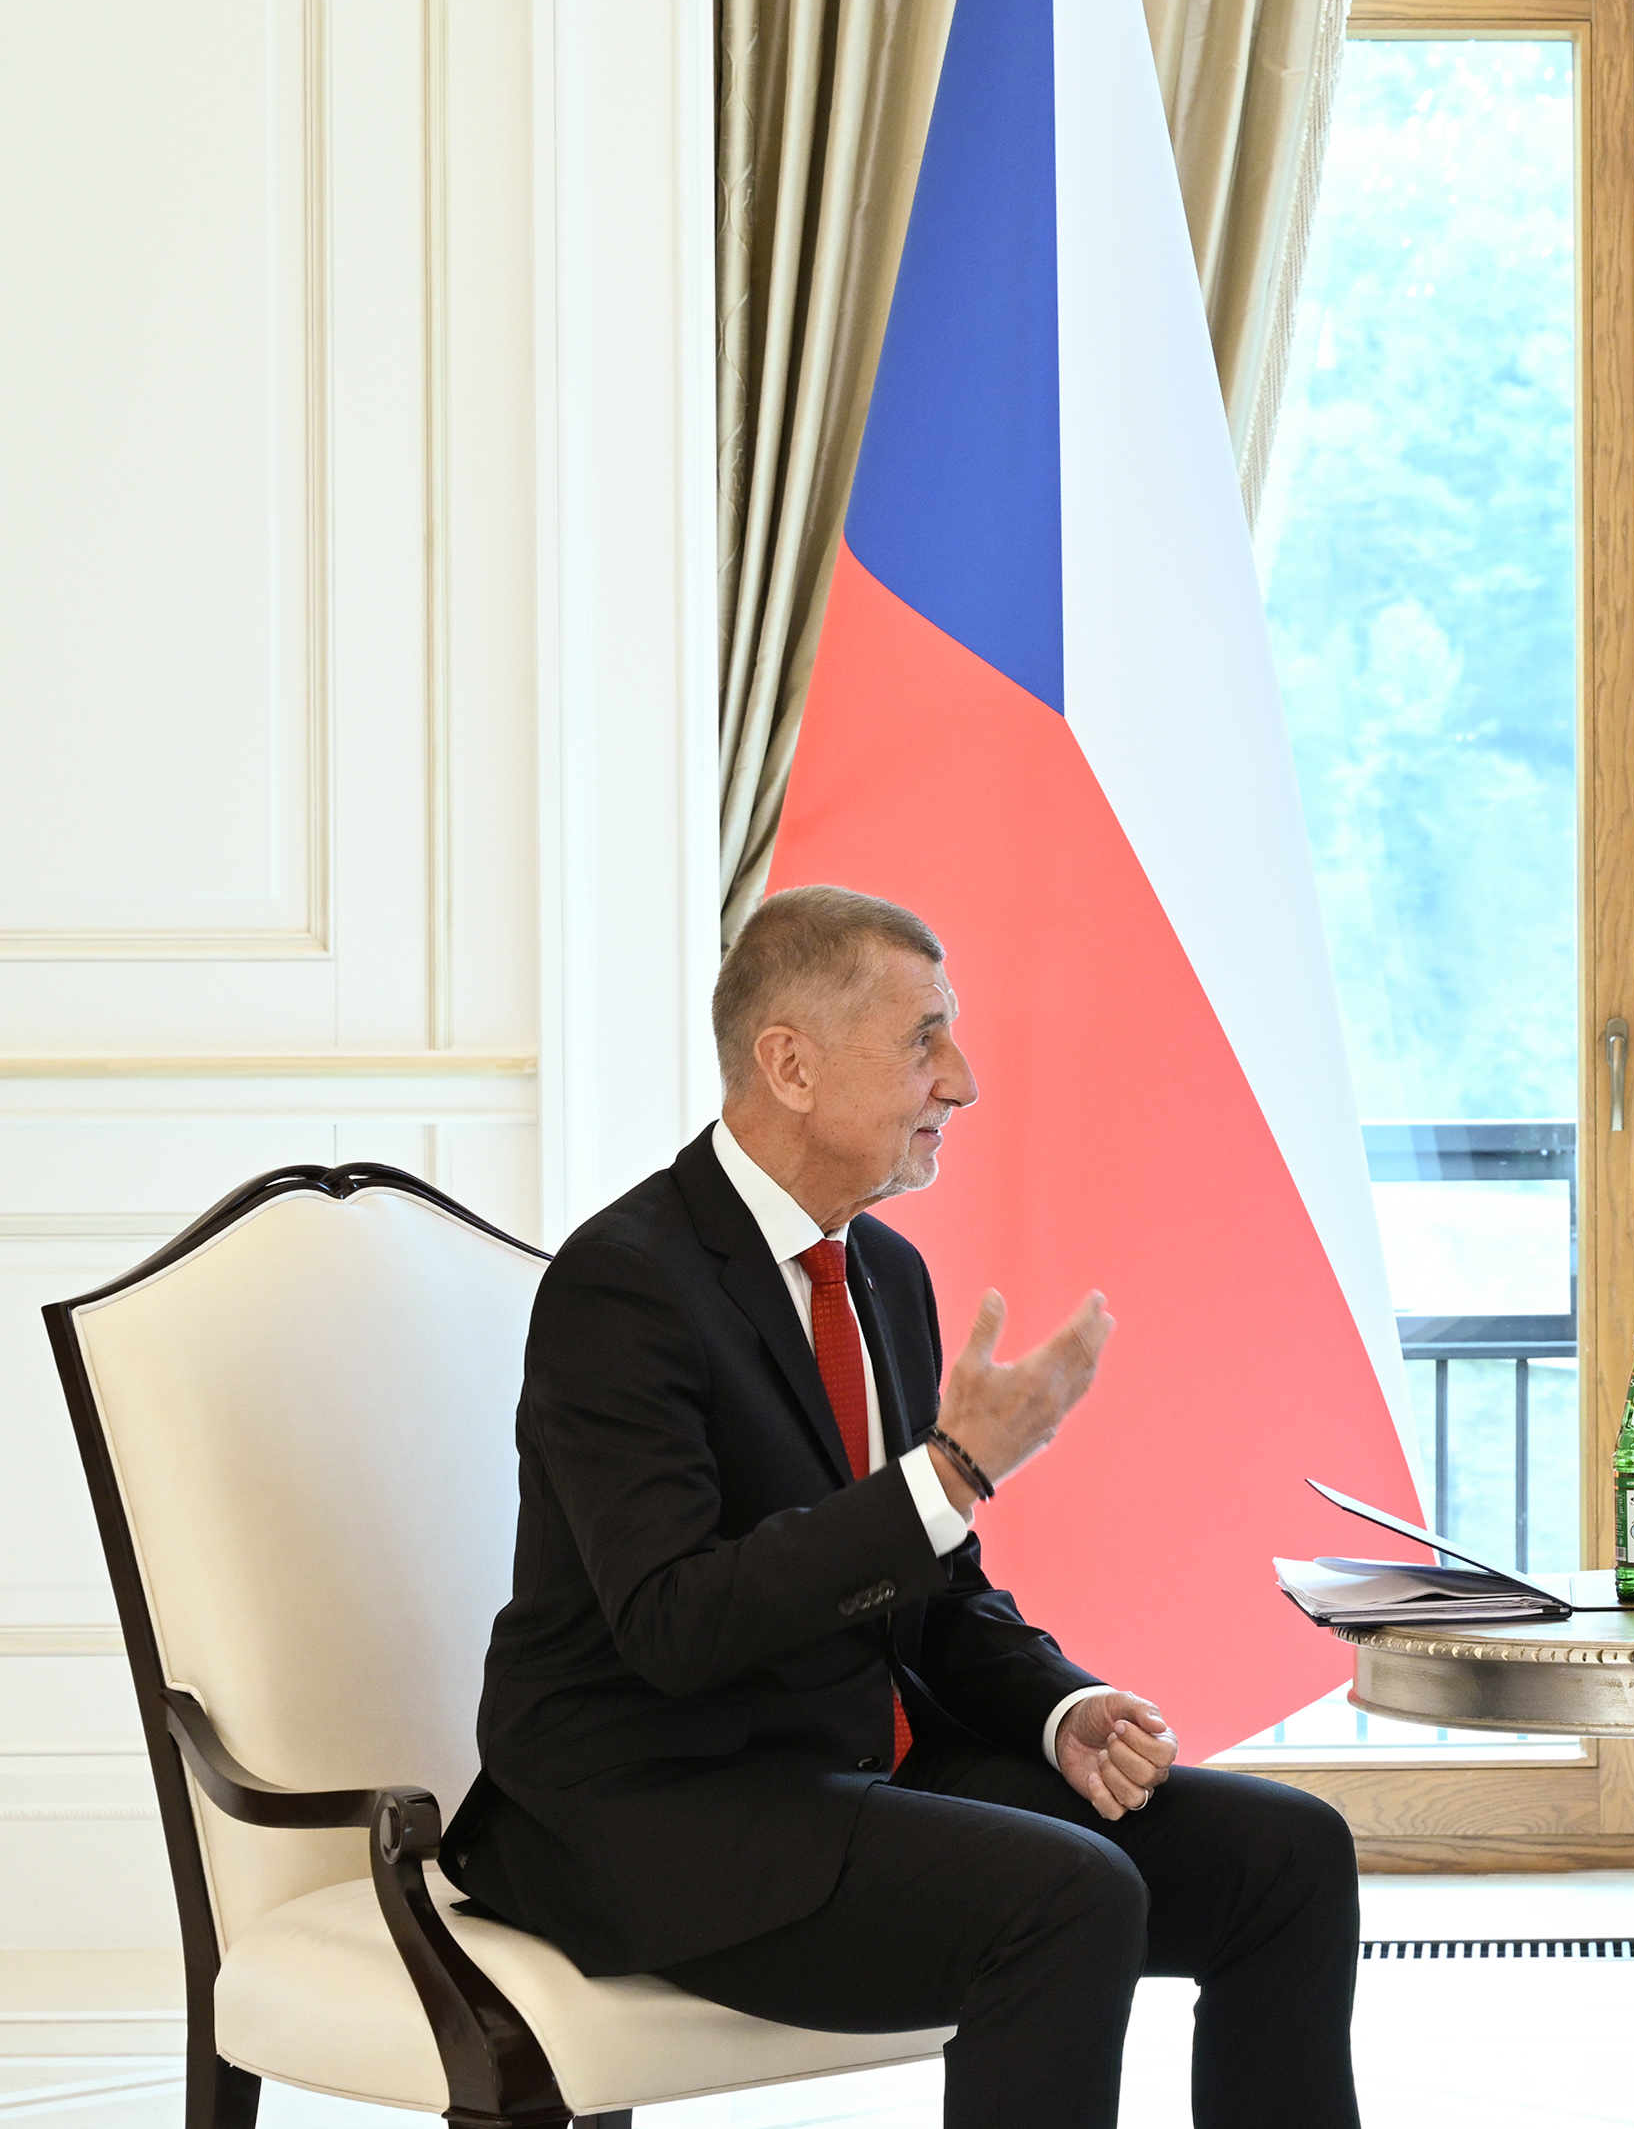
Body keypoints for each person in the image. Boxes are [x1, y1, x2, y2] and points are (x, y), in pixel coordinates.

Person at [442, 885, 1359, 2128]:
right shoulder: (626, 1285)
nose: (963, 1080)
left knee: (1290, 1857)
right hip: (658, 1808)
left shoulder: (882, 1268)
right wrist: (951, 1472)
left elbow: (935, 1585)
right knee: (1070, 1896)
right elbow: (674, 1623)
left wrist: (1059, 1707)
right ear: (791, 1066)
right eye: (925, 1037)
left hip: (860, 1773)